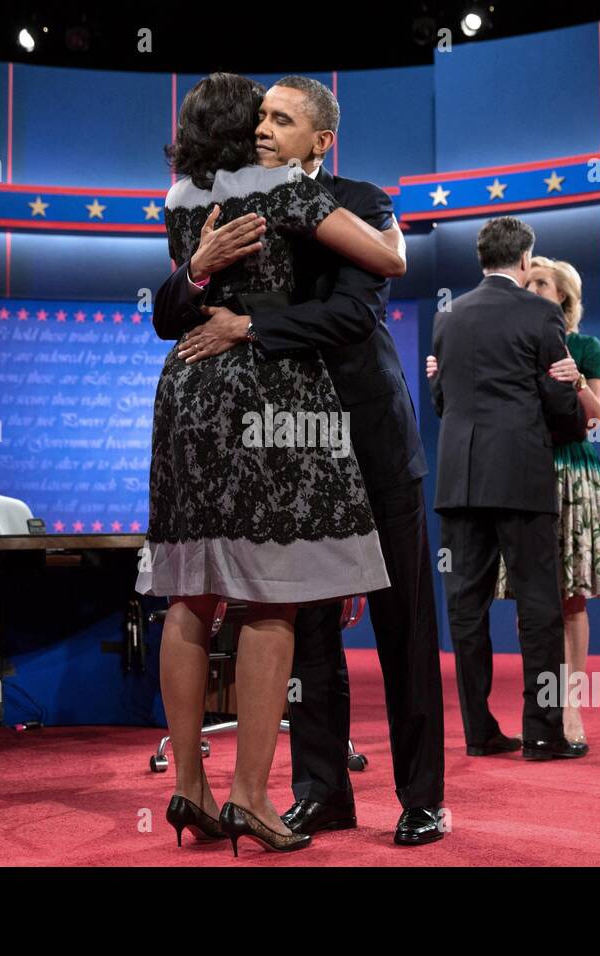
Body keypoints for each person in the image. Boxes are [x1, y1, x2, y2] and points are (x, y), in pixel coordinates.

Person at [153, 76, 448, 846]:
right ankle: (320, 790)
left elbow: (355, 310)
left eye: (281, 119)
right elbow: (165, 310)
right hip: (279, 440)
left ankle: (421, 797)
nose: (264, 129)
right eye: (260, 117)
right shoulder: (229, 197)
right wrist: (200, 275)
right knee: (303, 621)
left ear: (321, 140)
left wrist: (245, 325)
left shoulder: (360, 198)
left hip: (367, 430)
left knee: (404, 621)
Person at [428, 256, 600, 745]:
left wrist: (577, 381)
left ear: (562, 294)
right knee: (532, 600)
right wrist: (445, 373)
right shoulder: (505, 333)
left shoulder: (584, 345)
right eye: (530, 277)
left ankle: (569, 709)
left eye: (543, 282)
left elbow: (598, 414)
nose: (532, 285)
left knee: (568, 601)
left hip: (569, 472)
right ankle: (536, 714)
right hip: (519, 473)